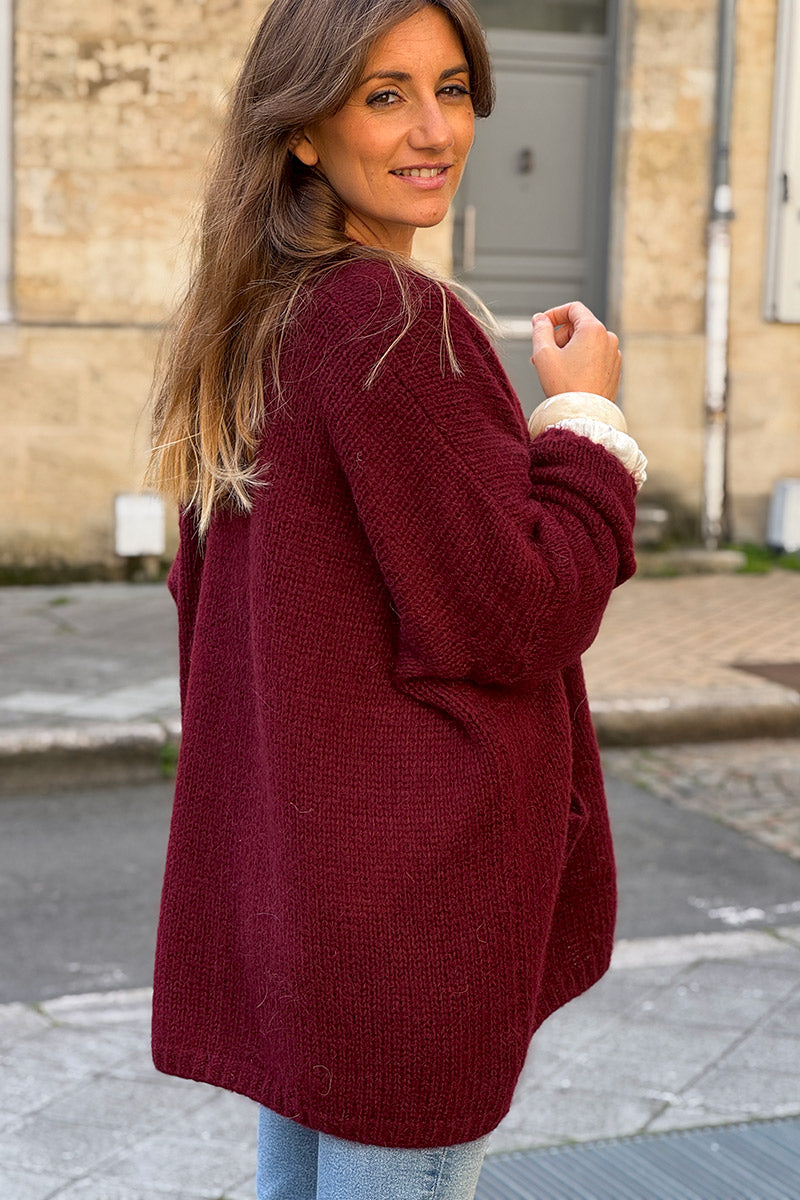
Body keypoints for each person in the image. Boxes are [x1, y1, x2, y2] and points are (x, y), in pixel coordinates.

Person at [147, 1, 647, 1197]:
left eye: (453, 89)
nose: (432, 130)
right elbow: (518, 611)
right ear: (305, 128)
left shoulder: (260, 316)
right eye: (384, 95)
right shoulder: (388, 321)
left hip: (313, 905)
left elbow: (215, 603)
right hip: (406, 922)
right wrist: (583, 420)